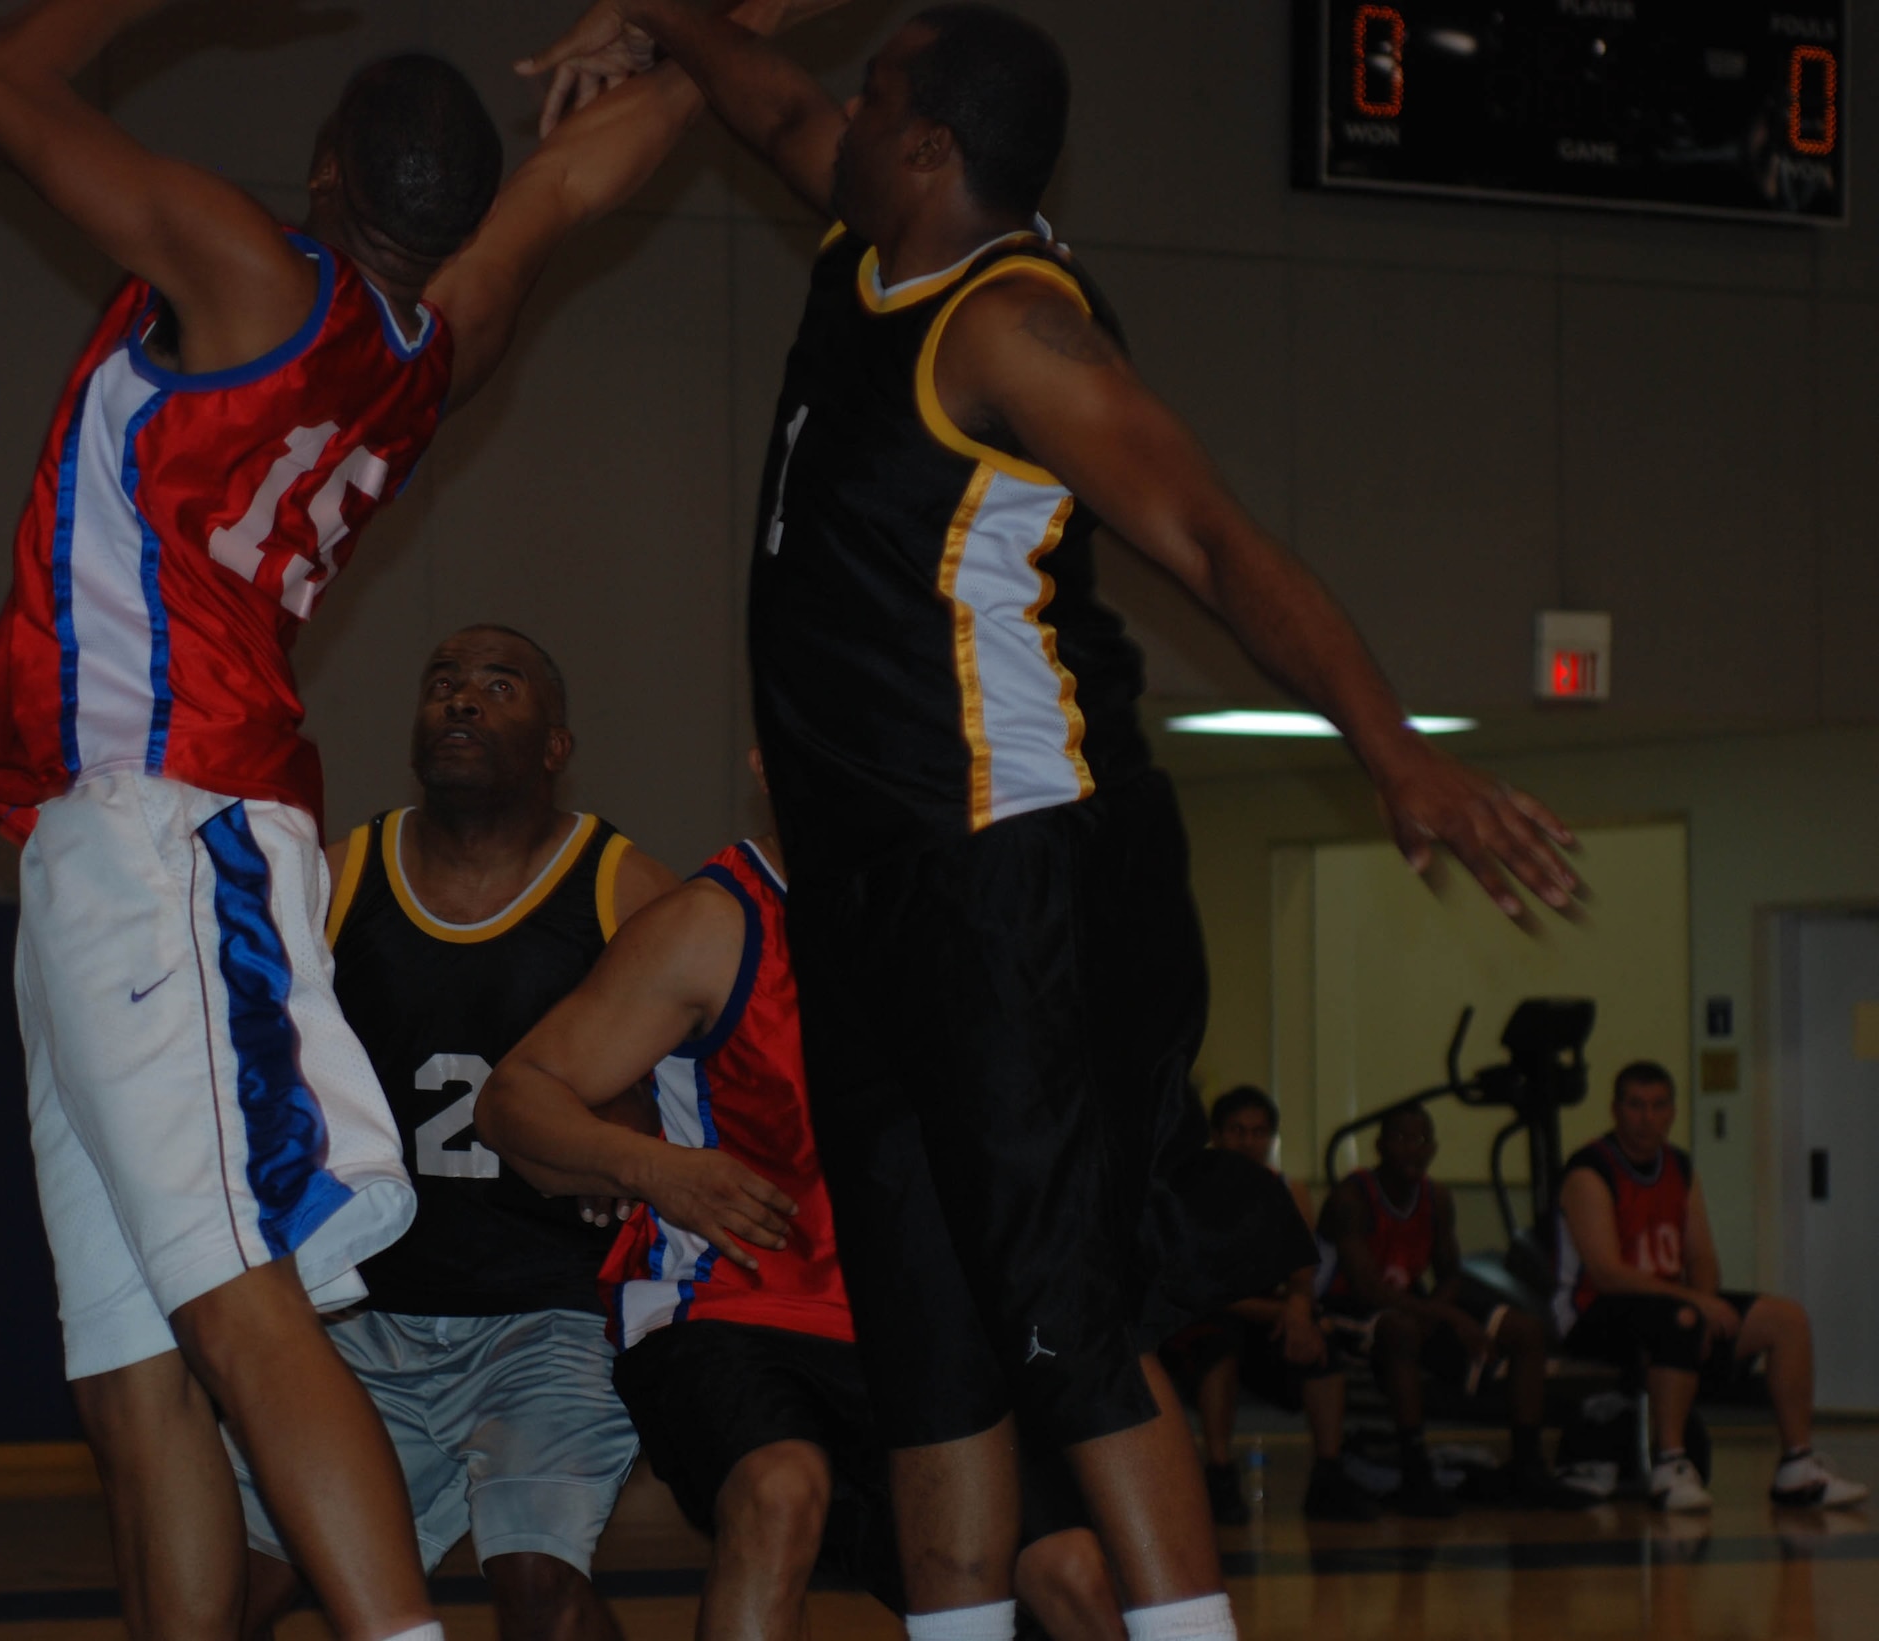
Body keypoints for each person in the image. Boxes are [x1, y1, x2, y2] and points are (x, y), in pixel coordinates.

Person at [522, 6, 1583, 1637]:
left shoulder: (1012, 327)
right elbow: (772, 105)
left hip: (1006, 877)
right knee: (930, 1345)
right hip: (865, 897)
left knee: (1063, 1328)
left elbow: (1215, 542)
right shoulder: (869, 243)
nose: (840, 113)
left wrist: (1394, 751)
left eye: (877, 96)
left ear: (931, 147)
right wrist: (667, 16)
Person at [0, 2, 789, 1633]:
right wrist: (697, 33)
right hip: (113, 843)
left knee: (243, 1312)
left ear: (324, 167)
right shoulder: (441, 341)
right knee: (134, 1370)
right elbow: (575, 185)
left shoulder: (250, 274)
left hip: (168, 827)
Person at [475, 786, 1121, 1641]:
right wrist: (652, 1165)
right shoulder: (714, 921)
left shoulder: (962, 919)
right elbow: (513, 1097)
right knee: (780, 1489)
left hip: (916, 1329)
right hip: (732, 1306)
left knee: (1072, 1574)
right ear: (764, 758)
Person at [230, 626, 676, 1639]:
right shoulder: (337, 876)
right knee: (230, 1590)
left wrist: (626, 1115)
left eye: (498, 686)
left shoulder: (625, 886)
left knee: (536, 1581)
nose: (461, 700)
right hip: (365, 1315)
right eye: (443, 683)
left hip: (550, 1313)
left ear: (556, 746)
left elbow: (691, 1086)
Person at [1554, 1061, 1869, 1513]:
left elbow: (1701, 1256)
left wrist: (1704, 1301)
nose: (1647, 1118)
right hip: (1592, 1311)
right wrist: (1695, 1304)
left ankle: (1797, 1465)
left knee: (1786, 1319)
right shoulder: (1590, 1170)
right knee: (1681, 1319)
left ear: (1672, 1112)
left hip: (1665, 1305)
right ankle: (1670, 1465)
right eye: (1636, 1106)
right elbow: (1606, 1273)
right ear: (1616, 1110)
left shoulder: (1679, 1167)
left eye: (1658, 1106)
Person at [1315, 1106, 1579, 1516]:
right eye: (1402, 1139)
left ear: (1434, 1149)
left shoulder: (1436, 1198)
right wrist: (1448, 1317)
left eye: (1422, 1140)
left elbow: (1450, 1274)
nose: (1412, 1149)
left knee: (1525, 1329)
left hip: (1410, 1304)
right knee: (1403, 1329)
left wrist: (1438, 1311)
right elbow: (1367, 1289)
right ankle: (1415, 1471)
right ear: (1380, 1146)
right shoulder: (1352, 1198)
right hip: (1345, 1309)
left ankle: (1527, 1464)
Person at [1162, 1087, 1374, 1527]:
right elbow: (1202, 1287)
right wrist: (1285, 1312)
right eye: (1237, 1131)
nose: (1248, 1142)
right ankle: (1219, 1474)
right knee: (1218, 1343)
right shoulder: (1189, 1192)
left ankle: (1328, 1475)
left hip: (1268, 1314)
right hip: (1208, 1315)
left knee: (1322, 1344)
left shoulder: (1288, 1189)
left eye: (1258, 1132)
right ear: (1216, 1136)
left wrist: (1298, 1306)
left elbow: (1302, 1270)